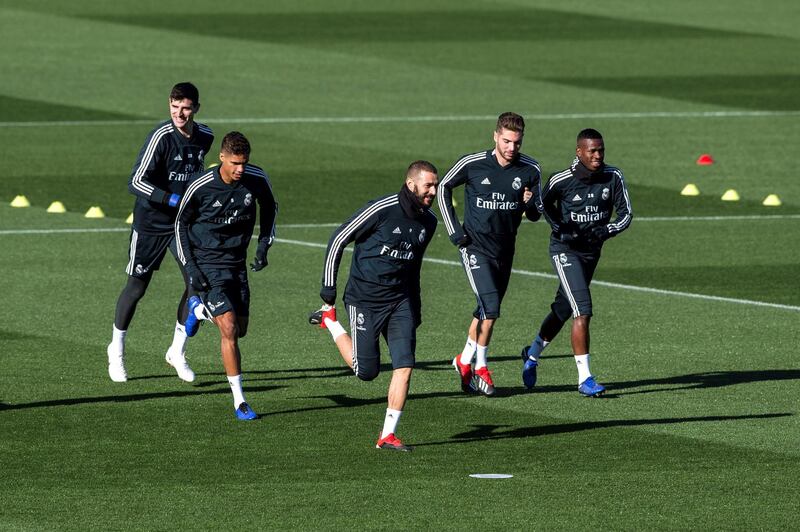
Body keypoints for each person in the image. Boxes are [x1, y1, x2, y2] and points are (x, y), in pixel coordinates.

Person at [308, 161, 439, 451]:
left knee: (405, 365)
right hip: (364, 299)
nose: (433, 190)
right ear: (411, 184)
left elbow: (414, 267)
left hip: (400, 301)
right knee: (366, 372)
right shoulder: (381, 209)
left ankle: (387, 435)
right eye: (428, 185)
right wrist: (328, 289)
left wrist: (415, 305)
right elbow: (338, 239)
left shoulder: (428, 222)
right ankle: (330, 320)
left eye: (435, 184)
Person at [107, 82, 214, 383]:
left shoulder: (205, 136)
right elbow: (136, 181)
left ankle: (177, 351)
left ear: (196, 108)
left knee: (197, 282)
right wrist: (171, 199)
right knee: (137, 287)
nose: (179, 113)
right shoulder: (161, 138)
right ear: (169, 104)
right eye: (175, 106)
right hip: (151, 223)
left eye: (186, 107)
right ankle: (116, 351)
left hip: (181, 225)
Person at [521, 128, 632, 397]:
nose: (597, 156)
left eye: (601, 150)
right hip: (565, 251)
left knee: (562, 308)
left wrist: (609, 230)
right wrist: (536, 208)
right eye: (592, 151)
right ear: (579, 152)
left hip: (591, 254)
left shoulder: (613, 176)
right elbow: (539, 209)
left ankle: (532, 353)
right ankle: (585, 379)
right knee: (582, 309)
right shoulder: (562, 180)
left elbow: (626, 214)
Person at [175, 131, 277, 420]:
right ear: (221, 157)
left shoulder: (256, 178)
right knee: (229, 329)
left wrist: (263, 246)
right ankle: (240, 401)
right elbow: (180, 224)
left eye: (244, 162)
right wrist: (191, 268)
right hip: (207, 262)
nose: (240, 169)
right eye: (234, 163)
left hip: (237, 263)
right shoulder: (201, 186)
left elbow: (271, 206)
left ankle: (199, 310)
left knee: (240, 330)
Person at [437, 112, 542, 396]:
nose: (511, 148)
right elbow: (443, 187)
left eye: (517, 143)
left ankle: (463, 360)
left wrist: (531, 204)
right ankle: (481, 366)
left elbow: (534, 215)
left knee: (484, 311)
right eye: (507, 141)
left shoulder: (530, 169)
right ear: (495, 136)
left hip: (505, 250)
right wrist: (454, 230)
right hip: (475, 247)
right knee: (491, 305)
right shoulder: (472, 164)